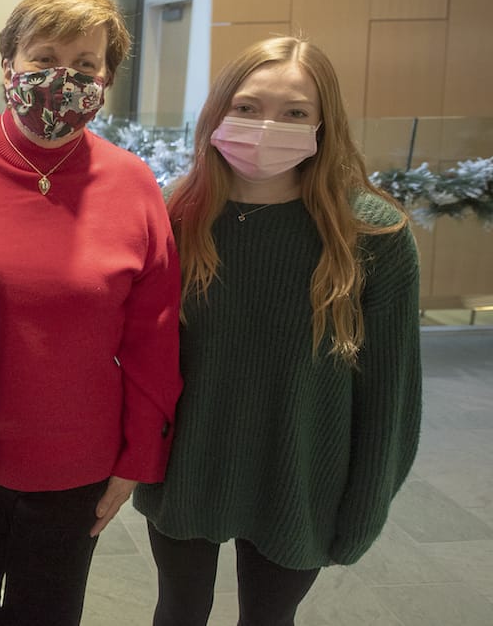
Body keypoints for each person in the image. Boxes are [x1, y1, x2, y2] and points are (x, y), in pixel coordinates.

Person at [133, 36, 422, 626]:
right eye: (247, 108)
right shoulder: (175, 217)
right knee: (178, 610)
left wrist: (366, 506)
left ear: (323, 124)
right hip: (190, 466)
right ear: (217, 114)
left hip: (301, 474)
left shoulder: (373, 236)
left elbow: (391, 395)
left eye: (295, 113)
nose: (268, 127)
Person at [0, 0, 183, 625]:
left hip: (75, 468)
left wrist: (137, 460)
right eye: (43, 58)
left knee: (47, 614)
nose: (60, 79)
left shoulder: (131, 184)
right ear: (9, 62)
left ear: (107, 78)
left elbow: (153, 336)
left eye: (83, 65)